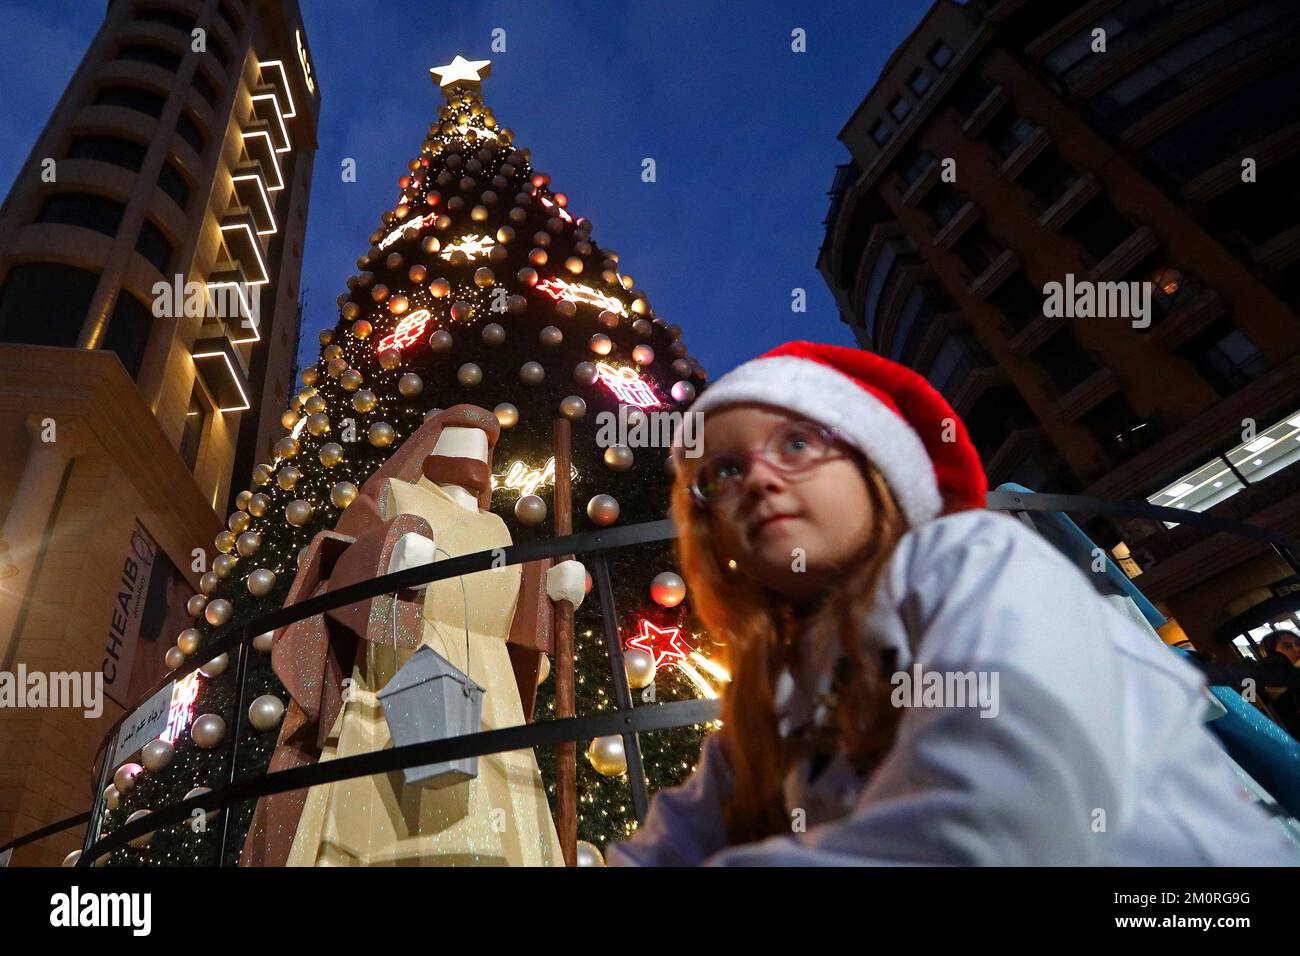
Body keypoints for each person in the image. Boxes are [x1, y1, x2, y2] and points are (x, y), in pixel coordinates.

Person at [605, 341, 1300, 866]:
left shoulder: (971, 562)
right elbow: (673, 842)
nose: (756, 479)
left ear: (878, 468)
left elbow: (1005, 812)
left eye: (796, 443)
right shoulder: (770, 695)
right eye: (722, 472)